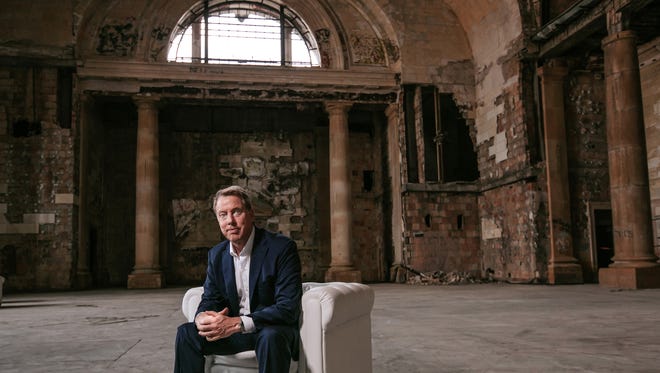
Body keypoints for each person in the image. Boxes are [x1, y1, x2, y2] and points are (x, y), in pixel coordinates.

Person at [175, 185, 302, 373]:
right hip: (233, 333)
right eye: (223, 215)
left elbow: (287, 308)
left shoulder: (281, 249)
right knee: (186, 333)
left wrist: (238, 323)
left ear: (251, 213)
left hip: (270, 330)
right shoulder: (216, 255)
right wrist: (202, 317)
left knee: (270, 337)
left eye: (236, 212)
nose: (230, 221)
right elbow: (210, 298)